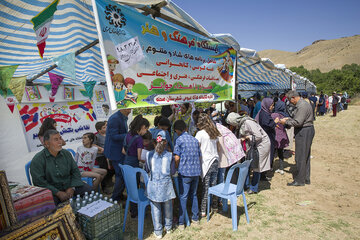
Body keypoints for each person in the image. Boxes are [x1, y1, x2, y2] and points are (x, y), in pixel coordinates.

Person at [30, 130, 92, 205]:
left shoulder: (66, 154)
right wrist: (57, 193)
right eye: (56, 140)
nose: (60, 142)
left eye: (60, 138)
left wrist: (72, 187)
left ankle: (83, 213)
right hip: (52, 190)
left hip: (69, 185)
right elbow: (39, 182)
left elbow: (75, 171)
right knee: (50, 204)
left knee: (89, 191)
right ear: (47, 143)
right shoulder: (38, 159)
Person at [226, 113, 271, 194]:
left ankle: (254, 188)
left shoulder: (248, 122)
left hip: (261, 145)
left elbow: (258, 136)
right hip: (253, 145)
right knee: (247, 163)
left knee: (257, 166)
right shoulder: (241, 124)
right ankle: (245, 185)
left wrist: (246, 138)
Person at [279, 90, 315, 186]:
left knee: (300, 156)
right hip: (306, 129)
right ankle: (306, 178)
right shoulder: (303, 104)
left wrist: (285, 122)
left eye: (290, 100)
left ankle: (300, 180)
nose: (290, 102)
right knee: (305, 155)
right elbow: (298, 119)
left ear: (293, 98)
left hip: (304, 131)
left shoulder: (302, 106)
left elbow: (298, 122)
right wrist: (289, 119)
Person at [145, 130, 176, 238]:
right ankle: (168, 227)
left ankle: (158, 231)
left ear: (153, 142)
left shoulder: (148, 154)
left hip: (153, 185)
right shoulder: (170, 155)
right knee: (168, 207)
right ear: (166, 142)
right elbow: (172, 172)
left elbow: (147, 169)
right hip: (166, 184)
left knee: (155, 208)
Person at [173, 120, 201, 229]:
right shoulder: (195, 140)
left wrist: (176, 167)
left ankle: (181, 223)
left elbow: (176, 157)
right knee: (193, 195)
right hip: (195, 172)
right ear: (185, 128)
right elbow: (199, 155)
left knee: (183, 197)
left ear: (176, 130)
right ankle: (195, 218)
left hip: (185, 173)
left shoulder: (179, 140)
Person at [122, 115, 150, 218]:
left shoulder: (128, 135)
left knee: (130, 188)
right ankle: (139, 209)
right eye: (146, 129)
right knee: (137, 186)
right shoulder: (139, 139)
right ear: (142, 127)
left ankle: (132, 211)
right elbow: (139, 157)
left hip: (126, 163)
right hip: (134, 165)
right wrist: (147, 160)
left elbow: (123, 151)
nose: (146, 132)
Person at [195, 113, 221, 217]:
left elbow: (196, 147)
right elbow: (218, 147)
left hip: (206, 162)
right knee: (213, 185)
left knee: (205, 188)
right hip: (215, 160)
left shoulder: (200, 134)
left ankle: (203, 210)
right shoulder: (214, 131)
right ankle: (214, 206)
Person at [104, 109, 131, 201]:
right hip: (115, 151)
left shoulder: (123, 117)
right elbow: (114, 136)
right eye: (128, 108)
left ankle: (118, 195)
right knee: (120, 174)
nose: (130, 110)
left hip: (120, 150)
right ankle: (115, 198)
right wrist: (129, 135)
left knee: (122, 174)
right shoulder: (115, 118)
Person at [256, 98, 278, 171]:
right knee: (268, 154)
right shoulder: (264, 114)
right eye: (272, 105)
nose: (273, 107)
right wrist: (274, 122)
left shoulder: (264, 112)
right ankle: (264, 173)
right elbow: (266, 125)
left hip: (268, 136)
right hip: (267, 137)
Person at [271, 101, 289, 175]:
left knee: (272, 152)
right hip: (282, 136)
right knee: (280, 152)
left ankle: (270, 167)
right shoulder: (285, 115)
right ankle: (281, 168)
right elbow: (288, 126)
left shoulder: (273, 115)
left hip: (274, 136)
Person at [94, 121, 112, 192]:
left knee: (113, 168)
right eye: (104, 127)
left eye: (106, 126)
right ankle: (104, 187)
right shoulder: (96, 137)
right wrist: (101, 149)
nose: (106, 128)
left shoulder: (108, 135)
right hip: (101, 155)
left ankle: (108, 180)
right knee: (104, 167)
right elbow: (93, 145)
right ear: (99, 130)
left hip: (109, 154)